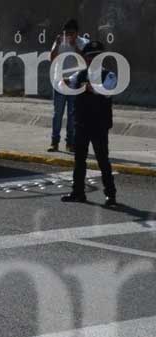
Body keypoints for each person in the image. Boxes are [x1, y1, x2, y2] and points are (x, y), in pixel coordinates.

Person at [62, 40, 118, 206]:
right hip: (81, 123)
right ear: (85, 59)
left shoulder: (109, 75)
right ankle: (78, 192)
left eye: (96, 57)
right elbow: (66, 83)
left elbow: (106, 91)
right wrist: (62, 79)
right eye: (89, 57)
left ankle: (111, 195)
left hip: (99, 125)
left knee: (102, 160)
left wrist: (88, 87)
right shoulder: (79, 75)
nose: (92, 60)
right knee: (79, 159)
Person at [49, 19, 87, 153]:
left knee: (72, 115)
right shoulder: (60, 42)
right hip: (59, 82)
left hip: (74, 83)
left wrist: (75, 46)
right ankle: (54, 142)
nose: (68, 36)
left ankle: (70, 143)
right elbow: (52, 59)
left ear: (77, 33)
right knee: (57, 113)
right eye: (66, 33)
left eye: (71, 33)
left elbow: (85, 60)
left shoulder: (83, 43)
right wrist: (57, 45)